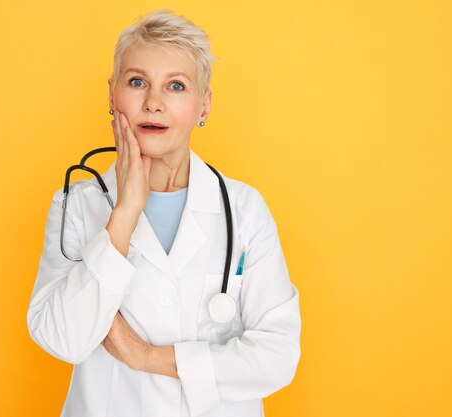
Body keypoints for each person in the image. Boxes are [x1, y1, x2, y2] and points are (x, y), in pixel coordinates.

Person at [26, 9, 301, 417]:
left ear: (203, 106)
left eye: (176, 86)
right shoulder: (78, 205)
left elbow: (278, 356)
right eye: (137, 82)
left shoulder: (244, 209)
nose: (153, 103)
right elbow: (64, 340)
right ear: (111, 95)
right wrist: (125, 213)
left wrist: (146, 357)